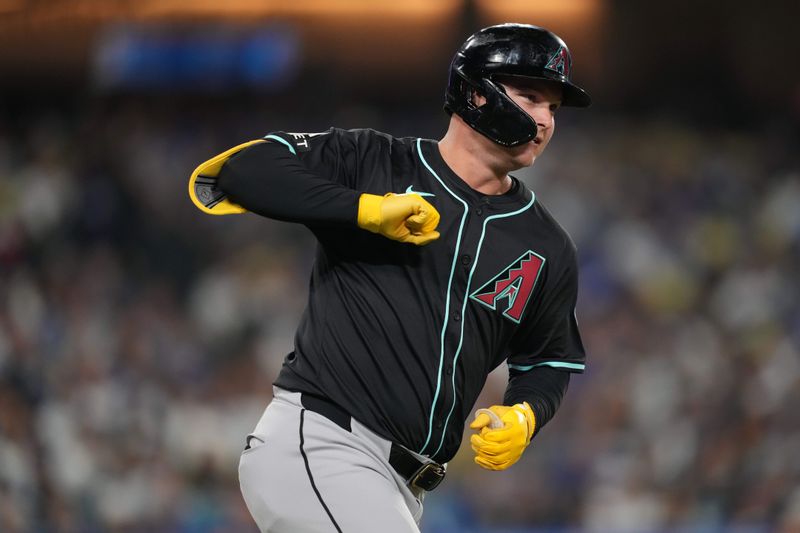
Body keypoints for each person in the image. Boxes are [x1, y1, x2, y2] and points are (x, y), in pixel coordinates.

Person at [188, 22, 590, 533]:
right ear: (476, 94)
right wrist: (361, 209)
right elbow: (240, 171)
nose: (544, 120)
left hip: (403, 486)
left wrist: (525, 415)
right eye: (531, 96)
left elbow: (549, 360)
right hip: (323, 443)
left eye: (553, 108)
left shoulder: (548, 245)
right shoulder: (375, 161)